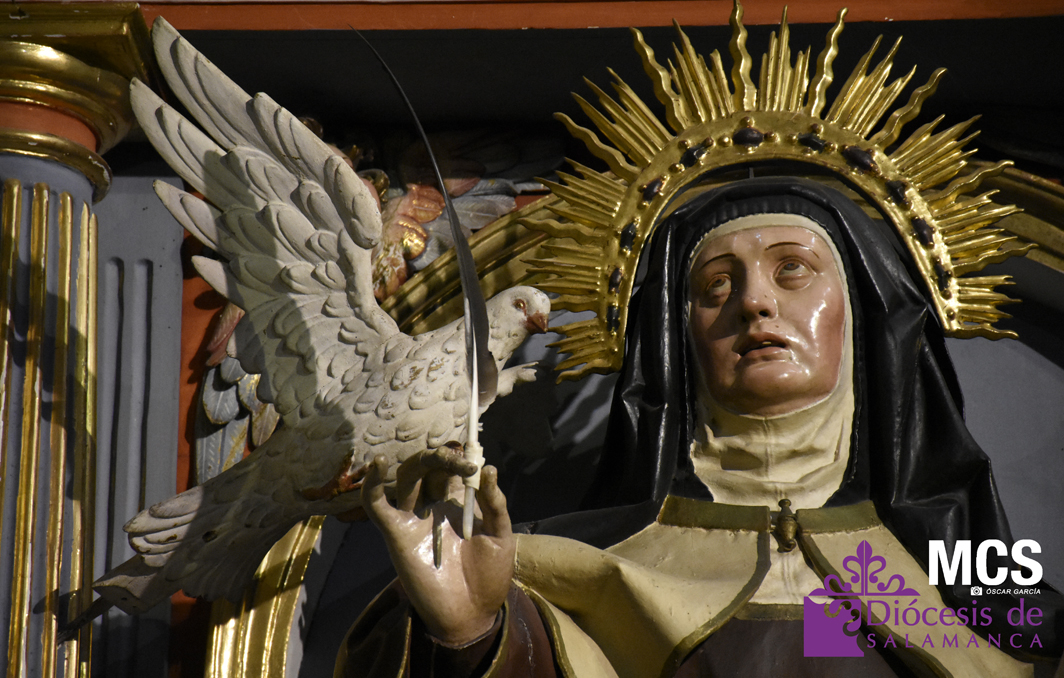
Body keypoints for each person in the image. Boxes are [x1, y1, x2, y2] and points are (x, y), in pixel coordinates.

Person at [339, 176, 1064, 677]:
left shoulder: (963, 584)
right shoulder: (566, 574)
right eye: (716, 285)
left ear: (863, 315)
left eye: (793, 270)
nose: (753, 303)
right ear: (679, 338)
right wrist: (471, 635)